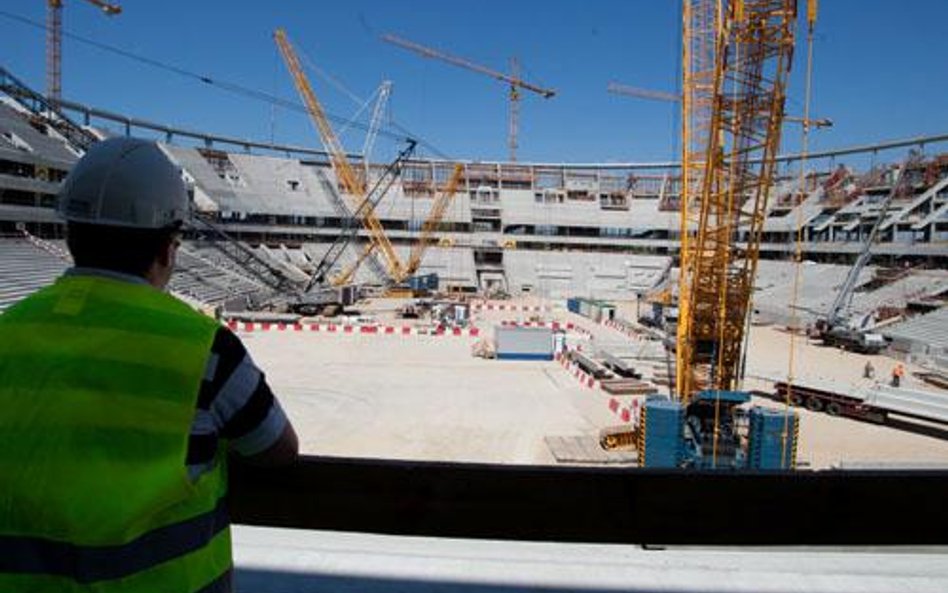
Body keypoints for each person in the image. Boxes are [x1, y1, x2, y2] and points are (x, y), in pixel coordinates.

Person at [0, 137, 298, 593]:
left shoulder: (9, 332)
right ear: (167, 249)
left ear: (70, 236)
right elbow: (276, 448)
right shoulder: (206, 347)